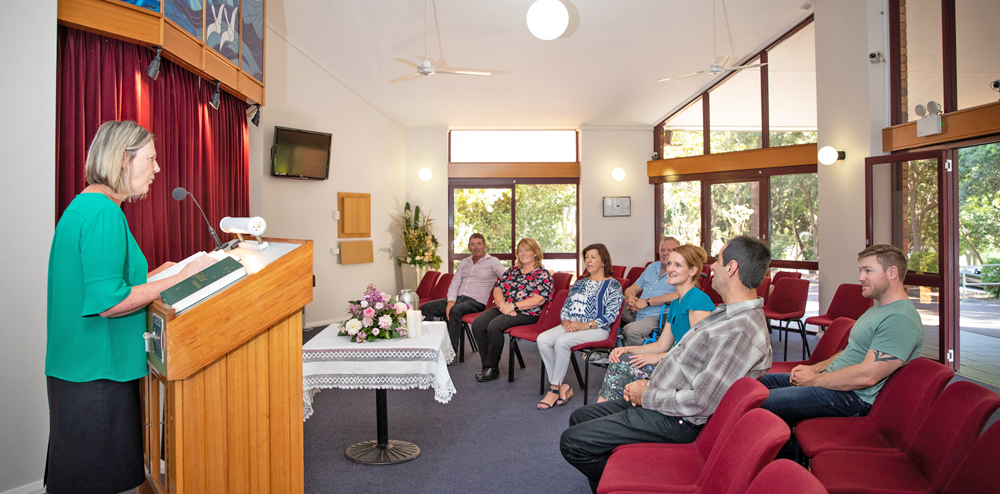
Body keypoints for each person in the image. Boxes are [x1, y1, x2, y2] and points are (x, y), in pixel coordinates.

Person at [45, 121, 218, 494]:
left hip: (83, 369)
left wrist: (166, 271)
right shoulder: (104, 213)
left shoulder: (87, 206)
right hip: (97, 374)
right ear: (124, 160)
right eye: (151, 159)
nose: (157, 169)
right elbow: (110, 303)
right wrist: (179, 279)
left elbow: (104, 283)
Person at [559, 235, 772, 493]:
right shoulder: (726, 313)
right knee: (580, 416)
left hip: (677, 419)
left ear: (732, 268)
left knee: (573, 442)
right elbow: (677, 354)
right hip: (663, 397)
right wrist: (648, 382)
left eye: (718, 260)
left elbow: (700, 402)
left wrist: (647, 394)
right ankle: (617, 480)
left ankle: (625, 484)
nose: (712, 266)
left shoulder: (739, 330)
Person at [759, 244, 924, 463]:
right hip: (836, 383)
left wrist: (815, 380)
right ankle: (789, 455)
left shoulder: (900, 319)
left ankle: (789, 465)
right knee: (754, 386)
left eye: (868, 271)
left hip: (852, 397)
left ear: (892, 273)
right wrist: (815, 368)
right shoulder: (877, 309)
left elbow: (868, 376)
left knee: (760, 404)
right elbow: (850, 351)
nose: (860, 277)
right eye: (860, 270)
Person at [596, 244, 716, 403]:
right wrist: (627, 348)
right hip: (675, 362)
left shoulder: (697, 300)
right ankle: (608, 414)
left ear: (692, 271)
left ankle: (604, 414)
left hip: (688, 371)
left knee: (621, 365)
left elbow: (698, 352)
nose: (670, 269)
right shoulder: (676, 303)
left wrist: (658, 358)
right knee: (621, 358)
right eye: (670, 264)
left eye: (678, 265)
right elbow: (661, 345)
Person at [536, 244, 624, 409]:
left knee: (562, 342)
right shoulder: (579, 283)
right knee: (543, 339)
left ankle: (554, 389)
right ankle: (562, 385)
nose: (588, 260)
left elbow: (611, 315)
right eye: (586, 257)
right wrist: (567, 323)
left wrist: (584, 325)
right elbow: (566, 309)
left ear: (604, 261)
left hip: (597, 329)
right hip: (572, 325)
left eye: (593, 257)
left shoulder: (613, 285)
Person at [472, 237, 554, 382]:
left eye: (526, 250)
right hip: (505, 307)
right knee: (478, 324)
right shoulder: (513, 271)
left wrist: (513, 306)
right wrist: (504, 306)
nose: (523, 254)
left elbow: (539, 299)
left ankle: (492, 367)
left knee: (494, 326)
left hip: (528, 312)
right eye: (520, 251)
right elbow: (498, 289)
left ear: (535, 253)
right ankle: (487, 365)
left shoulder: (542, 274)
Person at [420, 233, 505, 354]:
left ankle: (450, 353)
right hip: (458, 299)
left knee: (455, 310)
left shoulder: (493, 261)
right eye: (473, 244)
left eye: (479, 244)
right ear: (469, 247)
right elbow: (454, 284)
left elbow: (507, 278)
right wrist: (450, 302)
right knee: (427, 307)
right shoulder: (464, 262)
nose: (476, 247)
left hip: (477, 302)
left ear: (484, 245)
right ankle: (431, 347)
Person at [620, 237, 682, 346]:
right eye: (662, 250)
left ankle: (649, 357)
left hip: (659, 316)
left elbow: (680, 294)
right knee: (610, 303)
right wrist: (631, 298)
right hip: (637, 310)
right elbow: (632, 288)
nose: (665, 253)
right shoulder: (652, 267)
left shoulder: (680, 270)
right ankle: (605, 351)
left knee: (631, 331)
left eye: (669, 250)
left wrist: (647, 302)